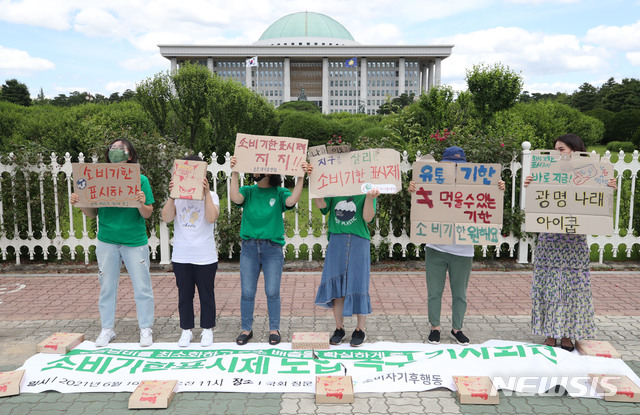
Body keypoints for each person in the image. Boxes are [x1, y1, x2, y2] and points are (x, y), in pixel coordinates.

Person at [524, 134, 617, 351]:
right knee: (550, 287)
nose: (558, 153)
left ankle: (567, 335)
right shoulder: (545, 173)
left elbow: (600, 207)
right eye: (556, 149)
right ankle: (549, 334)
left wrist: (610, 187)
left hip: (574, 242)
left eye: (561, 149)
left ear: (574, 150)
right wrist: (530, 184)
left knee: (571, 289)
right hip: (550, 240)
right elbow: (536, 203)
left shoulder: (592, 173)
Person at [408, 146, 505, 346]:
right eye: (450, 164)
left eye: (458, 165)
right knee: (434, 291)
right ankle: (434, 327)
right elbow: (421, 203)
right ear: (443, 165)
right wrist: (413, 189)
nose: (454, 168)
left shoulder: (474, 185)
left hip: (463, 250)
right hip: (436, 248)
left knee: (459, 293)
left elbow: (491, 202)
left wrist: (499, 188)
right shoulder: (433, 182)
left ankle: (456, 328)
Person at [70, 138, 155, 347]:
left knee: (142, 287)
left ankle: (146, 328)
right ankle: (107, 329)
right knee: (106, 287)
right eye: (112, 148)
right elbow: (92, 213)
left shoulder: (140, 180)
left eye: (121, 148)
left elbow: (148, 213)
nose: (116, 151)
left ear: (130, 155)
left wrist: (140, 203)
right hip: (107, 240)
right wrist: (80, 204)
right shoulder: (99, 178)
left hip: (134, 241)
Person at [229, 156, 309, 346]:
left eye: (258, 168)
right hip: (249, 247)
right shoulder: (248, 191)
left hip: (272, 248)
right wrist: (234, 171)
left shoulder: (279, 192)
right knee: (247, 291)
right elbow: (235, 197)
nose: (254, 171)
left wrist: (300, 178)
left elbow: (291, 201)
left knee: (272, 291)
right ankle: (246, 329)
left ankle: (274, 329)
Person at [312, 165, 379, 347]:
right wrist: (315, 183)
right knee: (337, 283)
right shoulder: (334, 187)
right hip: (337, 241)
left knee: (359, 283)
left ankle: (360, 330)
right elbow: (322, 206)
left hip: (359, 241)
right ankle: (339, 328)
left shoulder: (367, 188)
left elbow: (367, 218)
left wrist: (369, 199)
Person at [161, 156, 220, 347]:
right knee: (184, 295)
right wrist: (172, 195)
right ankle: (186, 330)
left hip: (205, 254)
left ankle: (207, 329)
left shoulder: (212, 195)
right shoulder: (176, 195)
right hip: (182, 254)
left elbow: (211, 218)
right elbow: (167, 217)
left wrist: (207, 193)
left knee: (206, 293)